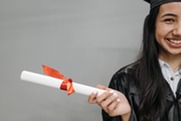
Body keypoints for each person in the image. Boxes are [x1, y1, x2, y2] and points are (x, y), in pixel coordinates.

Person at [88, 0, 181, 121]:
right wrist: (127, 116)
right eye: (169, 20)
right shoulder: (125, 80)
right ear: (152, 24)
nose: (178, 32)